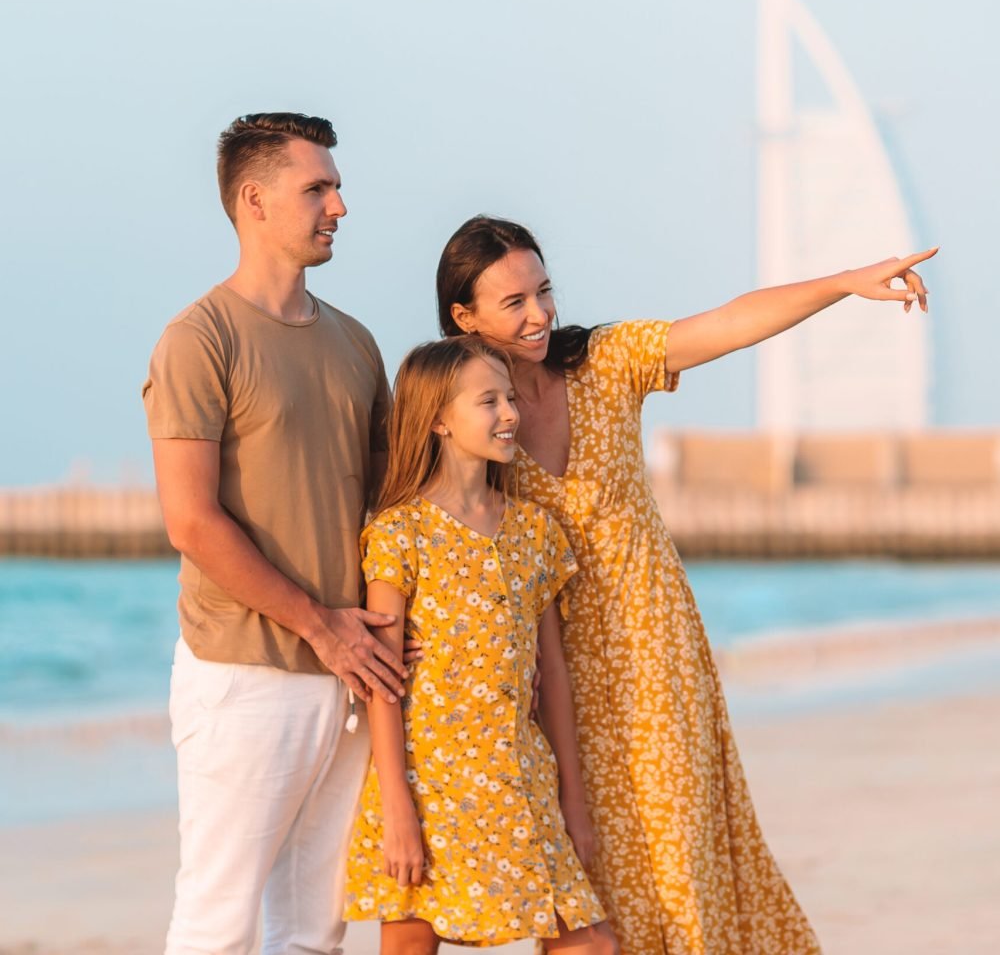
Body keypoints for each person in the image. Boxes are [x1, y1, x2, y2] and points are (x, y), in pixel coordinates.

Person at [434, 215, 936, 955]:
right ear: (462, 316)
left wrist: (842, 285)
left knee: (679, 862)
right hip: (551, 683)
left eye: (544, 292)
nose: (539, 315)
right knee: (586, 884)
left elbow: (730, 322)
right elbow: (426, 535)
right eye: (513, 303)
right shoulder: (468, 419)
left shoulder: (604, 361)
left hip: (656, 656)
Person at [142, 112, 408, 955]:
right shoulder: (199, 339)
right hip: (244, 674)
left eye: (335, 186)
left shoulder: (355, 343)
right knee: (218, 924)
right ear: (254, 200)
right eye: (317, 188)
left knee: (315, 932)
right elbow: (191, 520)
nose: (339, 205)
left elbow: (390, 507)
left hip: (349, 674)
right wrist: (322, 626)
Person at [343, 336, 619, 955]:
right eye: (487, 401)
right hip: (428, 782)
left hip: (520, 778)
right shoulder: (399, 534)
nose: (509, 414)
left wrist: (573, 801)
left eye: (510, 398)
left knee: (590, 942)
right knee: (412, 942)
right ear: (439, 419)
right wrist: (397, 812)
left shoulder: (534, 531)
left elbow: (552, 672)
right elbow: (386, 685)